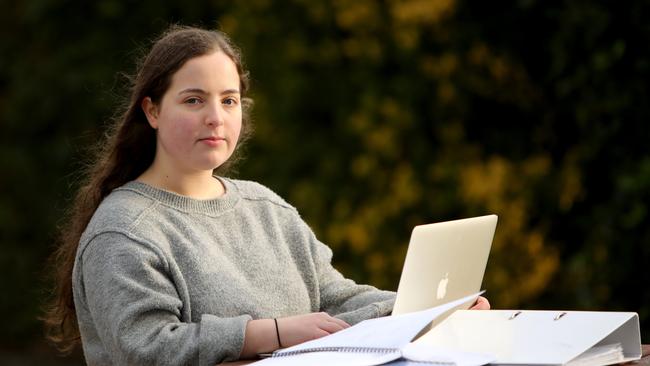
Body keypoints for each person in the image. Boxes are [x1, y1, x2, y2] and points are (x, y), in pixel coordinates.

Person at [43, 25, 489, 365]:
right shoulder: (124, 232)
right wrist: (267, 333)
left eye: (229, 100)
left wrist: (427, 309)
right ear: (153, 110)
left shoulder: (266, 208)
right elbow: (146, 349)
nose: (216, 118)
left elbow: (336, 301)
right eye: (194, 100)